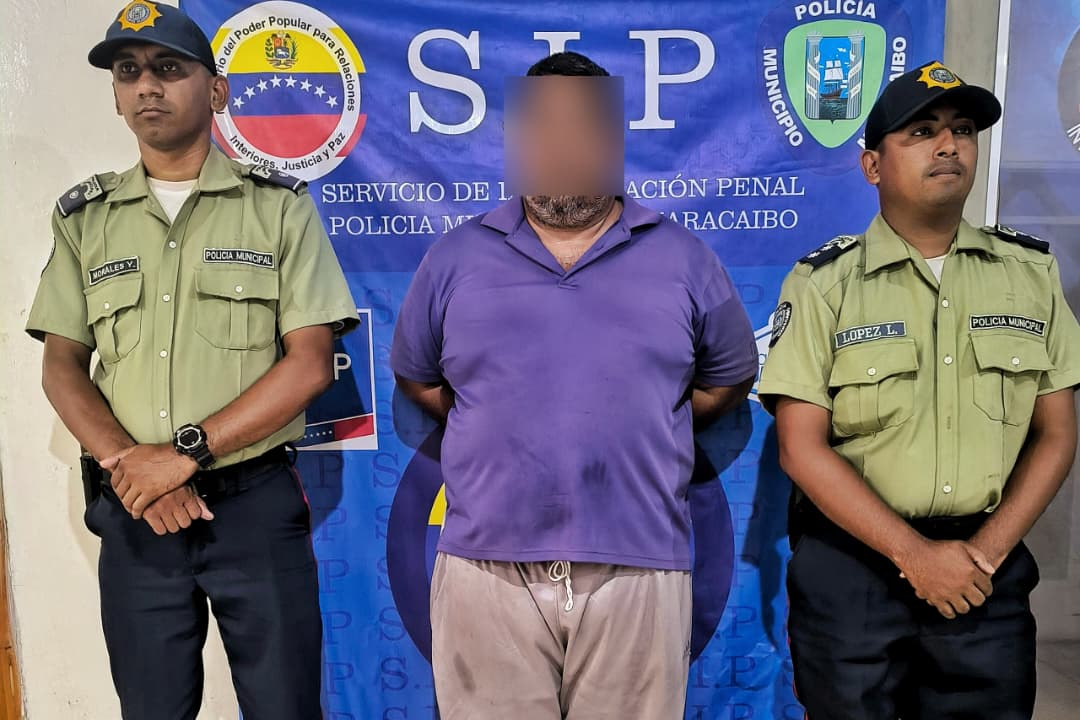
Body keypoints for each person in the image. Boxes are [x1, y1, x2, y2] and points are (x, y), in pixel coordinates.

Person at [390, 51, 758, 720]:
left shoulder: (684, 258)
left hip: (640, 564)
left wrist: (649, 417)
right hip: (485, 567)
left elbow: (729, 379)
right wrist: (498, 416)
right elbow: (417, 376)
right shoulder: (455, 258)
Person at [25, 2, 358, 718]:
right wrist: (133, 467)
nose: (147, 85)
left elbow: (309, 364)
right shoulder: (85, 219)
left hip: (252, 507)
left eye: (168, 68)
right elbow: (61, 366)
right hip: (137, 513)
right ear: (116, 98)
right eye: (128, 71)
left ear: (216, 91)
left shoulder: (278, 208)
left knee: (284, 707)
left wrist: (183, 455)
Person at [759, 60, 1080, 720]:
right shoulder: (823, 283)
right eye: (922, 132)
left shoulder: (1031, 275)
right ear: (872, 166)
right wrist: (915, 556)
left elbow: (1057, 434)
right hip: (853, 575)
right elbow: (800, 448)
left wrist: (981, 557)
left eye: (962, 130)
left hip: (983, 575)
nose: (948, 145)